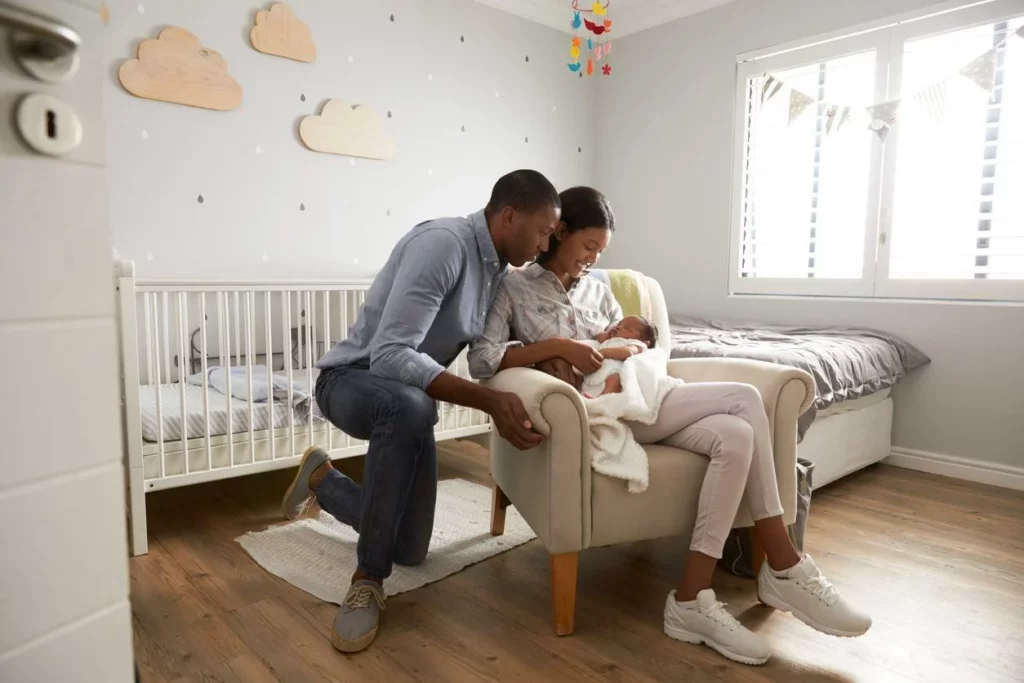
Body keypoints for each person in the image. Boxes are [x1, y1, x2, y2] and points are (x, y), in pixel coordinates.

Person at [467, 186, 871, 667]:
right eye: (588, 246)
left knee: (737, 434)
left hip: (642, 401)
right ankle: (784, 563)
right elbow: (483, 359)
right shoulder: (513, 287)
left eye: (601, 251)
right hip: (597, 415)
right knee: (744, 399)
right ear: (560, 232)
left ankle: (691, 598)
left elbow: (638, 351)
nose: (593, 259)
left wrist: (627, 352)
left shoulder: (600, 292)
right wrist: (557, 348)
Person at [280, 170, 560, 653]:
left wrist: (557, 351)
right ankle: (367, 580)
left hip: (407, 405)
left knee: (409, 549)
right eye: (542, 232)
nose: (544, 244)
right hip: (349, 380)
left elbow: (485, 356)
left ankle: (322, 480)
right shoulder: (444, 245)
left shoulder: (498, 273)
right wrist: (490, 401)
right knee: (411, 405)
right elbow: (390, 355)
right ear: (510, 217)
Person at [579, 315, 658, 398]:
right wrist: (606, 334)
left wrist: (604, 353)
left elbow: (628, 352)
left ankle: (600, 401)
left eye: (627, 328)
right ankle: (585, 399)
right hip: (593, 377)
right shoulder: (609, 339)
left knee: (616, 379)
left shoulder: (636, 344)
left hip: (611, 374)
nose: (618, 327)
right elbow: (598, 337)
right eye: (619, 324)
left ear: (644, 342)